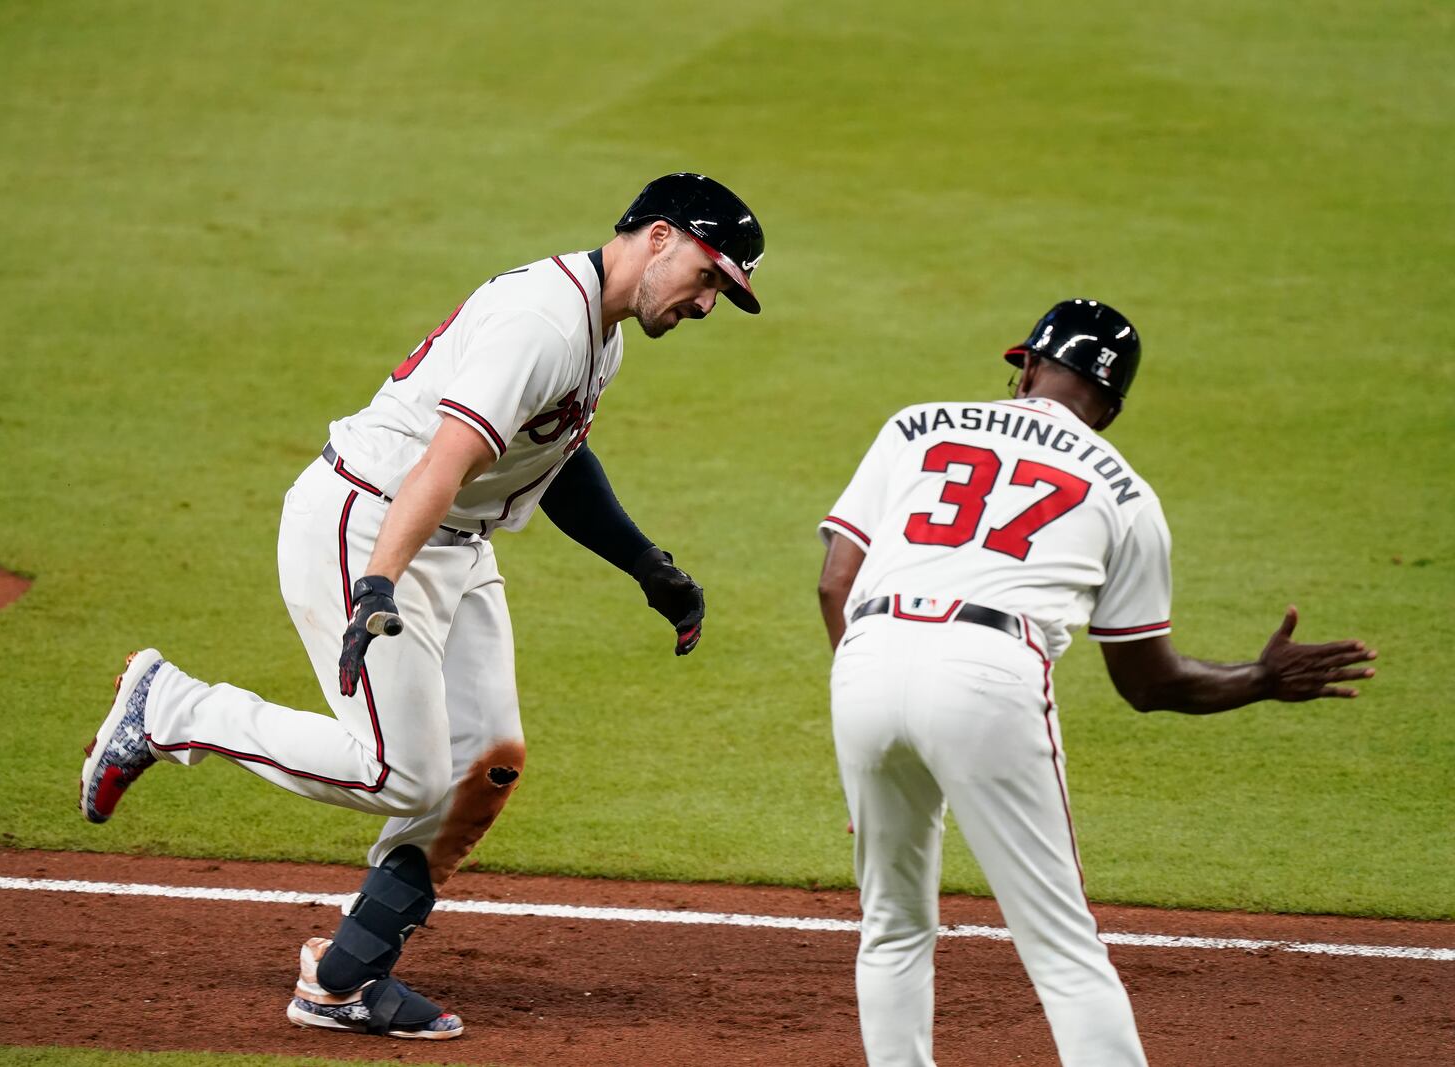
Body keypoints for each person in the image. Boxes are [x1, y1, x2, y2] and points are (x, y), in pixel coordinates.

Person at [79, 172, 766, 1040]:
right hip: (374, 519)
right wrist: (379, 579)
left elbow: (548, 461)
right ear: (660, 237)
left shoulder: (600, 333)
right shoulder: (544, 321)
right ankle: (171, 708)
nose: (707, 305)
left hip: (452, 539)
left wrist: (645, 564)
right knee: (394, 771)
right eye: (710, 277)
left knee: (486, 762)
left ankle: (345, 978)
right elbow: (447, 457)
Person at [815, 299, 1377, 1067]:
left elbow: (833, 585)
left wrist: (870, 733)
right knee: (1063, 946)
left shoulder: (916, 423)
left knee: (893, 923)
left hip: (869, 654)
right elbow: (1149, 681)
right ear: (1109, 406)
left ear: (1028, 366)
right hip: (988, 671)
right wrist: (1261, 678)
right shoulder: (1127, 493)